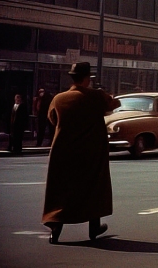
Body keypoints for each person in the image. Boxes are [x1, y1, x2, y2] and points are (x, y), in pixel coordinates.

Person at [42, 62, 120, 244]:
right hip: (90, 152)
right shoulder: (96, 96)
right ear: (87, 78)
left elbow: (52, 119)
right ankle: (94, 227)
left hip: (63, 151)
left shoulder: (58, 99)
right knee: (93, 187)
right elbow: (114, 104)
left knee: (61, 190)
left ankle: (55, 229)